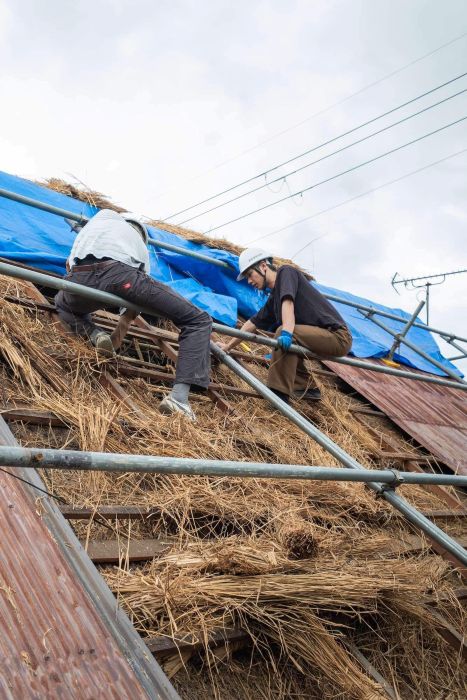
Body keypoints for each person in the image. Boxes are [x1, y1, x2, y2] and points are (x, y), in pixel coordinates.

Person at [55, 208, 212, 420]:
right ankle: (179, 399)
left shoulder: (92, 229)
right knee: (198, 320)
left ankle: (94, 333)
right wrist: (120, 330)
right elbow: (134, 302)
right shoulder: (135, 242)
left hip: (78, 278)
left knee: (62, 303)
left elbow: (68, 266)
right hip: (120, 277)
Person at [218, 248, 352, 404]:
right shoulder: (274, 298)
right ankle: (306, 387)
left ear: (263, 266)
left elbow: (288, 302)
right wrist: (228, 346)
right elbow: (252, 324)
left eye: (249, 274)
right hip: (319, 337)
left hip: (337, 336)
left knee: (283, 333)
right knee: (286, 340)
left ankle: (278, 395)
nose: (249, 281)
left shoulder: (286, 272)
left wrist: (287, 333)